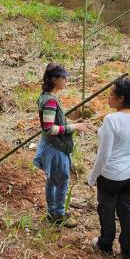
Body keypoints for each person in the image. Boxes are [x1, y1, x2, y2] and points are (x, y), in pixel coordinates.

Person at [87, 77, 130, 259]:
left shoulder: (111, 120)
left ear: (121, 98)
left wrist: (92, 177)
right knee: (126, 209)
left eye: (111, 94)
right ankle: (128, 249)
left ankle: (105, 244)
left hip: (111, 176)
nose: (108, 97)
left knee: (107, 209)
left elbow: (103, 155)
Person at [33, 63, 92, 228]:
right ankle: (58, 215)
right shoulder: (51, 101)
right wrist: (73, 127)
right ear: (54, 79)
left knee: (52, 180)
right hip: (55, 148)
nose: (66, 80)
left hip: (49, 145)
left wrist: (72, 123)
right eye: (63, 77)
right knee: (61, 181)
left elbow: (53, 123)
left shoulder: (46, 96)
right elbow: (48, 128)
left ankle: (52, 211)